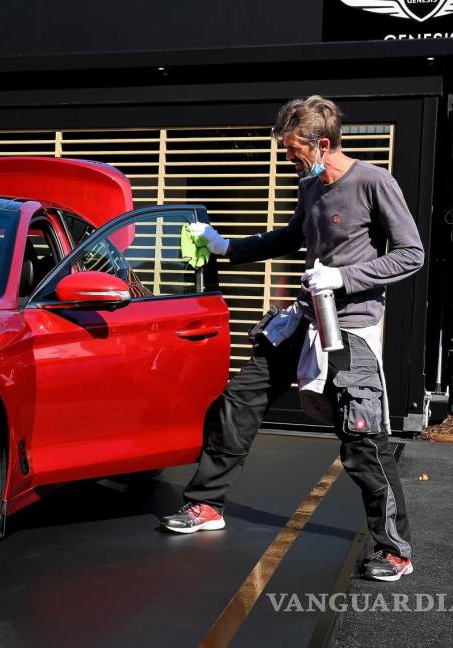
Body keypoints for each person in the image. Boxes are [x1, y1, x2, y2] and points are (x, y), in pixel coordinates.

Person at [161, 96, 425, 583]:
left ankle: (394, 549)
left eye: (293, 150)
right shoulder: (310, 186)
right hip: (304, 316)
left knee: (362, 441)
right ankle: (206, 505)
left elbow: (411, 255)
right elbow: (289, 237)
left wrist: (343, 278)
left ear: (323, 144)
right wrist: (226, 246)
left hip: (350, 326)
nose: (289, 159)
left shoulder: (373, 182)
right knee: (239, 398)